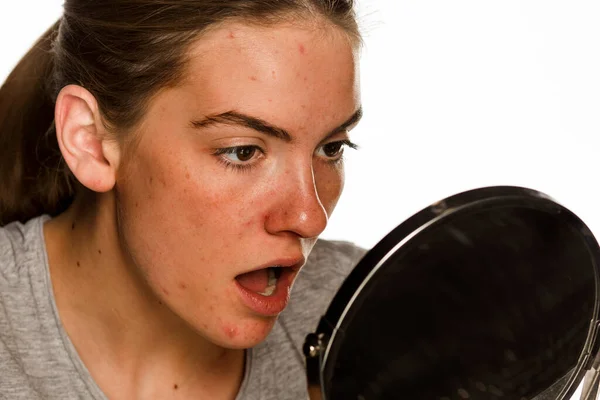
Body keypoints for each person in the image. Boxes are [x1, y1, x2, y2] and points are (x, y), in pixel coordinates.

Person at [0, 0, 366, 399]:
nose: (310, 217)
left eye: (331, 149)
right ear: (90, 140)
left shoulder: (375, 312)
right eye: (242, 151)